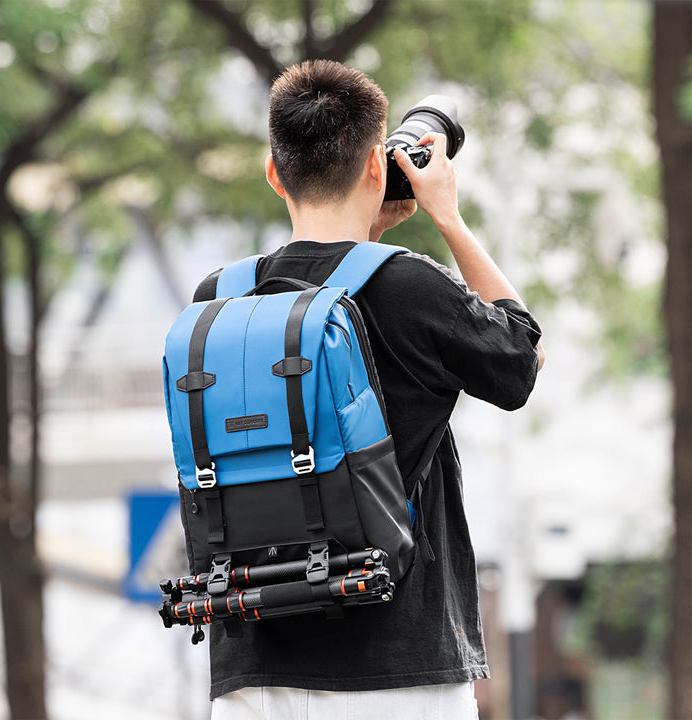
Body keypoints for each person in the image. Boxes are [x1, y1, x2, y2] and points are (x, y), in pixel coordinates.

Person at [193, 59, 544, 720]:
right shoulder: (412, 287)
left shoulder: (218, 298)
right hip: (397, 668)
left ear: (274, 173)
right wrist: (448, 219)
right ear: (378, 167)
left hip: (251, 672)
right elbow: (523, 359)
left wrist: (371, 233)